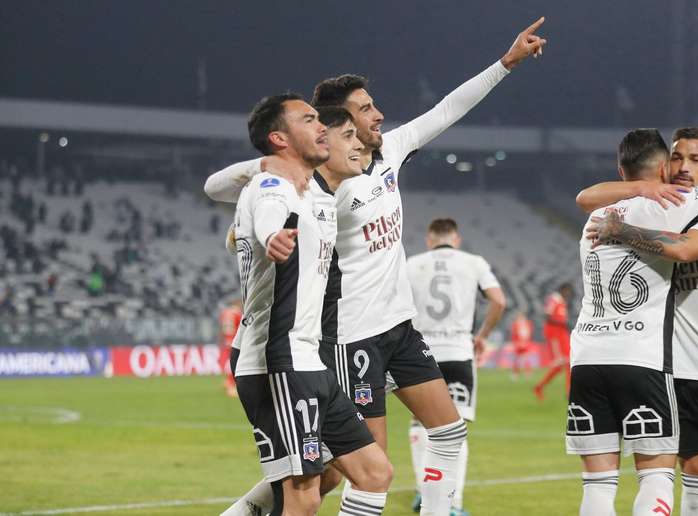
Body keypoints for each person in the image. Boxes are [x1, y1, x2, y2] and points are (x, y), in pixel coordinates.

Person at [205, 17, 547, 515]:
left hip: (400, 327)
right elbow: (252, 203)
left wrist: (506, 63)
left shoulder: (389, 153)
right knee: (340, 474)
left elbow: (447, 109)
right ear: (336, 125)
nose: (379, 115)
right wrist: (260, 206)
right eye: (366, 109)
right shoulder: (322, 184)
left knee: (446, 432)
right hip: (349, 337)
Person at [578, 127, 698, 516]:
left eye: (695, 160)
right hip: (677, 367)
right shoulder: (664, 208)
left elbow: (683, 249)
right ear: (665, 165)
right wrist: (640, 190)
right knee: (697, 475)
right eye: (678, 157)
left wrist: (621, 229)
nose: (683, 167)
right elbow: (587, 197)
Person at [229, 93, 391, 516]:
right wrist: (270, 235)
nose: (321, 126)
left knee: (375, 473)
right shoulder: (271, 184)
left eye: (321, 120)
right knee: (303, 494)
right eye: (309, 120)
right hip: (278, 363)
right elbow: (268, 209)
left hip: (310, 362)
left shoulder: (318, 197)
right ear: (279, 138)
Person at [405, 218, 505, 515]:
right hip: (459, 352)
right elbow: (498, 301)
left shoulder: (412, 263)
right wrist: (482, 336)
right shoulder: (473, 262)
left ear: (429, 239)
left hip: (419, 355)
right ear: (456, 239)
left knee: (419, 424)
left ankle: (425, 492)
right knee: (454, 430)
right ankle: (453, 503)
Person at [533, 283, 573, 400]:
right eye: (567, 291)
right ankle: (541, 387)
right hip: (555, 336)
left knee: (567, 363)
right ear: (563, 290)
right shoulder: (554, 299)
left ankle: (567, 391)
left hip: (562, 335)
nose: (568, 294)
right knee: (563, 364)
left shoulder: (562, 302)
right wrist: (562, 323)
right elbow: (547, 316)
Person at [219, 299, 242, 398]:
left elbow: (223, 327)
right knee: (235, 363)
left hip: (226, 340)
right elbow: (241, 327)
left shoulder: (224, 313)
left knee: (230, 362)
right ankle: (231, 387)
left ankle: (228, 382)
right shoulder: (238, 313)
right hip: (235, 341)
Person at [510, 311, 537, 378]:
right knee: (521, 359)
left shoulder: (518, 324)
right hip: (523, 343)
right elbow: (530, 333)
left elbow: (514, 334)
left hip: (521, 343)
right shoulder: (526, 323)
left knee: (519, 359)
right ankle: (525, 373)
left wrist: (518, 343)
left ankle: (517, 373)